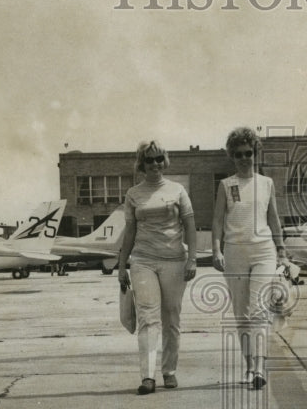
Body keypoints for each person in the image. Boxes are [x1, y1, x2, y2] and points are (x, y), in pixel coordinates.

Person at [118, 141, 198, 395]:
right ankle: (147, 376)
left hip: (174, 260)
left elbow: (190, 225)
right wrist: (122, 266)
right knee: (148, 317)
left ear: (164, 162)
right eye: (149, 160)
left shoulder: (178, 190)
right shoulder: (133, 194)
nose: (154, 164)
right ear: (141, 164)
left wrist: (192, 258)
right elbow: (129, 232)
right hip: (142, 261)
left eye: (158, 159)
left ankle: (169, 371)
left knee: (171, 318)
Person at [211, 127, 287, 390]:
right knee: (241, 314)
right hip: (235, 252)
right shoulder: (226, 185)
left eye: (249, 153)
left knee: (259, 310)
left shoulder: (266, 184)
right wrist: (216, 250)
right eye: (239, 154)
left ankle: (258, 368)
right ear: (232, 156)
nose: (245, 158)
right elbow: (217, 221)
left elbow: (274, 218)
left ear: (256, 154)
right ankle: (248, 366)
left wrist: (282, 250)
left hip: (264, 251)